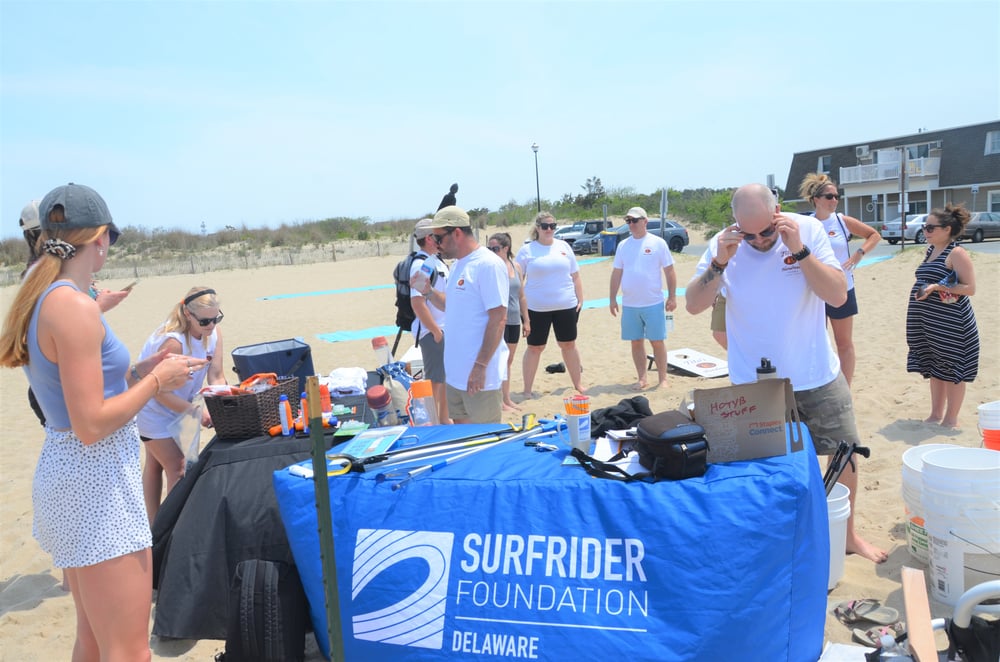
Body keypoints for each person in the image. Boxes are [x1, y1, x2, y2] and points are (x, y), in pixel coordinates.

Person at [0, 183, 205, 661]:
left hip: (75, 474)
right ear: (100, 238)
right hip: (94, 481)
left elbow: (84, 395)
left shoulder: (50, 295)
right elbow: (91, 424)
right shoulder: (70, 304)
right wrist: (157, 384)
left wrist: (141, 371)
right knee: (130, 651)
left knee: (94, 642)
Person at [685, 184, 887, 564]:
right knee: (759, 465)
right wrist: (719, 263)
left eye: (767, 230)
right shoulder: (723, 244)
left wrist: (800, 251)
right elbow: (694, 305)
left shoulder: (806, 230)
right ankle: (774, 537)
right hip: (755, 383)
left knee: (843, 452)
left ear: (778, 211)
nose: (759, 240)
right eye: (750, 234)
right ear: (735, 223)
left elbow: (838, 295)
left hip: (816, 372)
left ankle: (847, 535)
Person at [137, 286, 227, 525]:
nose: (211, 326)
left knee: (156, 463)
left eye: (216, 318)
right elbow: (158, 392)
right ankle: (170, 527)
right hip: (153, 408)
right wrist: (197, 413)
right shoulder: (173, 342)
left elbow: (216, 376)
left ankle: (153, 524)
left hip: (184, 403)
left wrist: (222, 406)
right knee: (177, 467)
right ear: (188, 314)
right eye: (205, 321)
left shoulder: (214, 334)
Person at [413, 206, 508, 423]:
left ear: (456, 233)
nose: (435, 244)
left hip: (479, 378)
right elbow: (451, 306)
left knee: (484, 441)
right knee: (463, 438)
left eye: (438, 238)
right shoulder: (457, 265)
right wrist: (427, 291)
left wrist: (480, 367)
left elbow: (499, 318)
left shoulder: (488, 265)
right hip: (455, 376)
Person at [798, 173, 881, 386]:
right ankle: (818, 384)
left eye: (836, 196)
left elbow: (874, 235)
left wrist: (859, 254)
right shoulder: (805, 223)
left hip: (843, 288)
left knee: (844, 343)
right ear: (816, 199)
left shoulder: (842, 221)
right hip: (814, 290)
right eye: (829, 196)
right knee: (816, 342)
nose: (834, 200)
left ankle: (845, 388)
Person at [906, 203, 979, 428]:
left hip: (952, 324)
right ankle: (936, 414)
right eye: (925, 227)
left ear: (947, 229)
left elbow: (970, 288)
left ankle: (951, 418)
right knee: (936, 367)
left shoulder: (956, 252)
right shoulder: (931, 250)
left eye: (930, 228)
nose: (925, 231)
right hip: (930, 323)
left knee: (953, 368)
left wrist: (937, 287)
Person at [515, 212, 586, 397]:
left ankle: (578, 384)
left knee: (568, 344)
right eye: (545, 226)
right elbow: (517, 280)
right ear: (537, 228)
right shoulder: (527, 250)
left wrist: (580, 298)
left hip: (566, 305)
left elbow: (575, 275)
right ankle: (527, 389)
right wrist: (520, 308)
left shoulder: (563, 247)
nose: (549, 230)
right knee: (535, 347)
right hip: (536, 308)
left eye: (552, 226)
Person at [608, 207, 677, 390]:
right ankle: (642, 378)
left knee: (657, 341)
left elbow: (669, 271)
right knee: (636, 341)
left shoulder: (658, 243)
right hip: (630, 304)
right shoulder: (624, 246)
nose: (631, 224)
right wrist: (612, 298)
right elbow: (617, 273)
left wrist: (672, 297)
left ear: (645, 221)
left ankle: (663, 379)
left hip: (653, 302)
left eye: (634, 220)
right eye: (628, 220)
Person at [409, 218, 450, 423]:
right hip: (433, 332)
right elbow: (417, 302)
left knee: (444, 379)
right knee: (435, 380)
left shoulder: (435, 260)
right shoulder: (422, 264)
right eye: (437, 235)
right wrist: (435, 330)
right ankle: (434, 421)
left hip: (442, 328)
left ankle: (443, 419)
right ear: (428, 238)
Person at [487, 232, 530, 410]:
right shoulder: (491, 267)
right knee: (497, 360)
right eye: (488, 249)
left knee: (508, 360)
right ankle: (499, 401)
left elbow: (521, 296)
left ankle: (506, 398)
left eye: (495, 248)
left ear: (506, 248)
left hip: (513, 319)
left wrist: (526, 320)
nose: (491, 252)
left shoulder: (516, 266)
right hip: (498, 320)